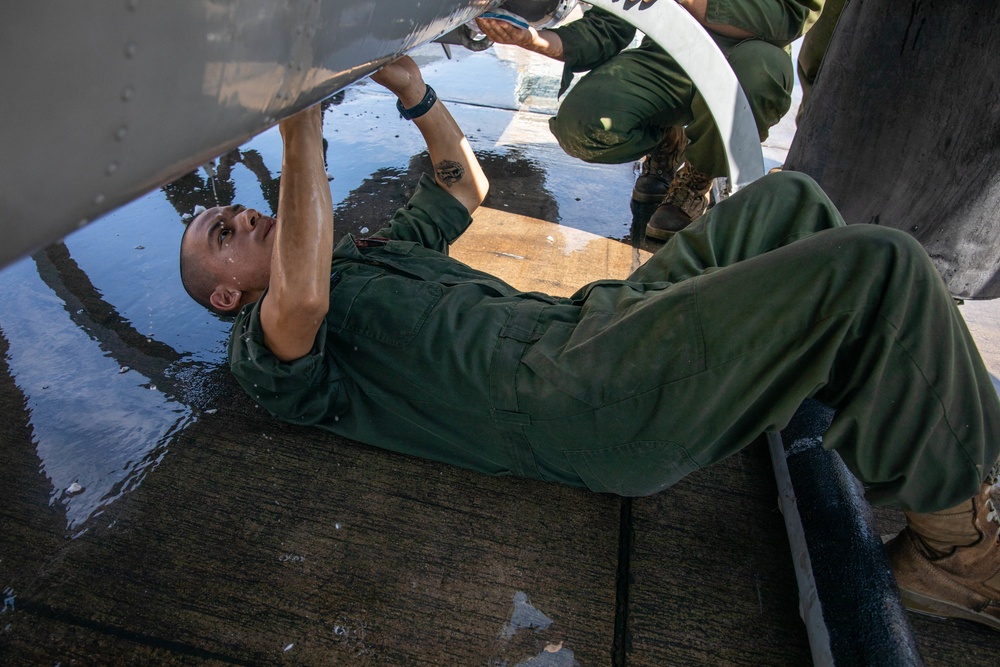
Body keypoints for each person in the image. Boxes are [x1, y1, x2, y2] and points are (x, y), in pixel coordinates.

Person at [179, 56, 1000, 631]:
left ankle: (850, 384)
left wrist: (418, 94)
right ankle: (959, 554)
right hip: (577, 396)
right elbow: (302, 293)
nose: (246, 215)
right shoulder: (267, 346)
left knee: (786, 202)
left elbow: (466, 187)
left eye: (238, 211)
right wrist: (299, 121)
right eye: (225, 230)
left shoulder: (362, 256)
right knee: (879, 266)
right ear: (226, 294)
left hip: (591, 324)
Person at [476, 0, 821, 241]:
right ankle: (666, 139)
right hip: (670, 56)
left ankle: (698, 177)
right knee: (584, 126)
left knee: (758, 77)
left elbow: (791, 14)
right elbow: (609, 23)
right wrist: (533, 40)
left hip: (749, 55)